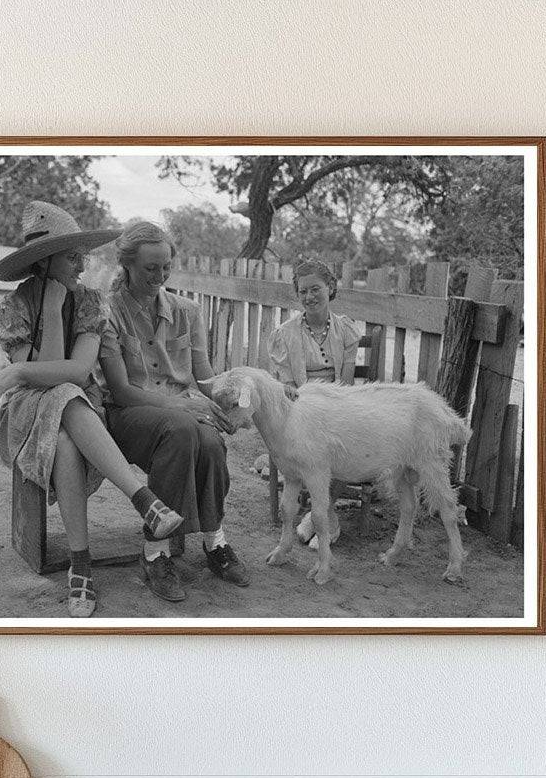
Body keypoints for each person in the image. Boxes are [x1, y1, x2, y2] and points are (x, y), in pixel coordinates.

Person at [0, 201, 184, 619]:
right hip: (25, 417)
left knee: (68, 424)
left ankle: (81, 566)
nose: (82, 266)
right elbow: (54, 375)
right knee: (63, 396)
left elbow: (76, 370)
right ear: (43, 261)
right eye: (72, 258)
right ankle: (145, 501)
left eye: (81, 256)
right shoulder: (9, 310)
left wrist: (16, 373)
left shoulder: (90, 303)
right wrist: (50, 311)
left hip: (79, 412)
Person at [99, 221, 249, 603]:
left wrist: (234, 397)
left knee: (211, 440)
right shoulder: (108, 312)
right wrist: (183, 405)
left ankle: (215, 541)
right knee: (183, 427)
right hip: (130, 415)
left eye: (166, 267)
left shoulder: (188, 311)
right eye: (151, 268)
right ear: (128, 265)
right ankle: (156, 552)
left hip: (183, 415)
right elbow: (121, 390)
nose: (160, 276)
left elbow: (205, 379)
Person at [266, 256, 361, 547]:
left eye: (315, 289)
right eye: (303, 291)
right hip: (300, 408)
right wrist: (311, 408)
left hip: (336, 403)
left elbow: (345, 383)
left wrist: (333, 410)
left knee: (346, 437)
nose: (309, 297)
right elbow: (287, 386)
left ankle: (322, 512)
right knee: (312, 443)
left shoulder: (345, 330)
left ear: (330, 287)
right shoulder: (285, 334)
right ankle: (324, 516)